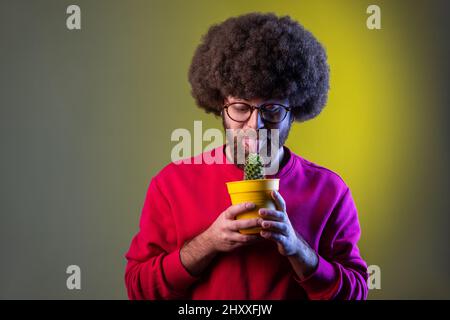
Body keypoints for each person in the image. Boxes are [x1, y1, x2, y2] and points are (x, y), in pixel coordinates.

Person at [125, 12, 368, 300]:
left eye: (273, 110)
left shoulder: (330, 192)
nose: (256, 126)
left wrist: (297, 248)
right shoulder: (171, 184)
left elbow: (354, 295)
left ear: (295, 112)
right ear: (220, 105)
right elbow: (139, 290)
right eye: (241, 107)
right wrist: (208, 243)